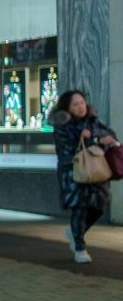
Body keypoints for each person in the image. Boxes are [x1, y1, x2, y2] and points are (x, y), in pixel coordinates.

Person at [50, 90, 117, 264]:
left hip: (96, 171)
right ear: (67, 107)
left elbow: (108, 134)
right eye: (75, 104)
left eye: (82, 102)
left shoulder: (93, 121)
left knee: (100, 206)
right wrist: (93, 141)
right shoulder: (63, 126)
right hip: (74, 173)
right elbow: (68, 149)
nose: (81, 107)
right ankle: (80, 248)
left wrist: (106, 140)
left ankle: (74, 234)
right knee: (79, 208)